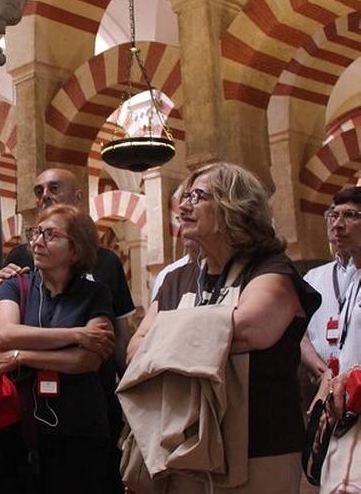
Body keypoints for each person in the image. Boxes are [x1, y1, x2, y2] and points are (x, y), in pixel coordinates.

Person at [126, 162, 321, 493]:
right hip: (183, 445)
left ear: (235, 206)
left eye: (197, 196)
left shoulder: (272, 269)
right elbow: (134, 351)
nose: (183, 205)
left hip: (261, 445)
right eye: (184, 196)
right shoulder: (176, 278)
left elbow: (248, 329)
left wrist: (164, 335)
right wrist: (213, 329)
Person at [0, 167, 134, 494]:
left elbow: (100, 350)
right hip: (23, 415)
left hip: (84, 414)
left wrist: (21, 356)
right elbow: (4, 335)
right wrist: (76, 336)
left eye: (54, 187)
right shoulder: (18, 266)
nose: (44, 195)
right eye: (39, 189)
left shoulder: (104, 273)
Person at [301, 188, 361, 382]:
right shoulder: (313, 277)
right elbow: (297, 330)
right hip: (332, 387)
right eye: (333, 215)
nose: (337, 224)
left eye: (350, 215)